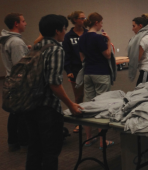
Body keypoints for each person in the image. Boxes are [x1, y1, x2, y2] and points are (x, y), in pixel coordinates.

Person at [24, 14, 83, 170]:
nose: (65, 32)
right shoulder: (56, 49)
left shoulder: (35, 46)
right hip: (47, 108)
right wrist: (70, 105)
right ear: (58, 31)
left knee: (34, 149)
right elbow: (54, 83)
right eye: (64, 29)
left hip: (30, 104)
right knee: (50, 152)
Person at [78, 12, 114, 148]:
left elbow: (82, 58)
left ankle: (88, 138)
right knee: (102, 106)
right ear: (96, 23)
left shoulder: (82, 38)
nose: (102, 25)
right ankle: (102, 140)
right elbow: (108, 55)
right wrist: (109, 41)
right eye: (101, 23)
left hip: (88, 73)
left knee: (87, 105)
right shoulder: (99, 38)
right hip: (101, 73)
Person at [0, 13, 30, 152]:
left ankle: (13, 141)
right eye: (23, 21)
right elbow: (20, 67)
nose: (25, 23)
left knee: (15, 112)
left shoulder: (8, 40)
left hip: (11, 80)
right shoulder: (16, 42)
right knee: (23, 113)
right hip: (19, 82)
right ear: (16, 24)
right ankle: (24, 143)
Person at [63, 11, 88, 133]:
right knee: (78, 97)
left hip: (89, 68)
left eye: (85, 18)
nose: (84, 20)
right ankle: (79, 122)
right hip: (75, 69)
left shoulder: (88, 33)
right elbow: (66, 55)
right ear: (74, 20)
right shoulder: (68, 36)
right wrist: (68, 70)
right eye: (81, 18)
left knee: (91, 95)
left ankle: (91, 120)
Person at [127, 17, 148, 85]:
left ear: (140, 26)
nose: (132, 29)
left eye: (134, 26)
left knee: (140, 92)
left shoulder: (144, 39)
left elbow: (136, 58)